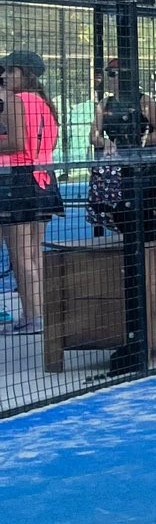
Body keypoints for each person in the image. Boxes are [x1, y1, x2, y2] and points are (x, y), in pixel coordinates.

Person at [0, 51, 64, 337]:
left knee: (21, 256)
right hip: (44, 179)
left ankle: (33, 317)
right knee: (34, 254)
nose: (5, 76)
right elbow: (46, 143)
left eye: (11, 71)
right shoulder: (45, 103)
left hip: (18, 180)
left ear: (25, 74)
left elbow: (17, 143)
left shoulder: (16, 101)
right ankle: (39, 314)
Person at [89, 57, 156, 154]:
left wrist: (141, 141)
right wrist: (106, 142)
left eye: (113, 74)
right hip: (118, 158)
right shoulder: (104, 104)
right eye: (109, 74)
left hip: (143, 158)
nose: (109, 79)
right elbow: (93, 136)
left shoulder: (144, 101)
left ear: (125, 76)